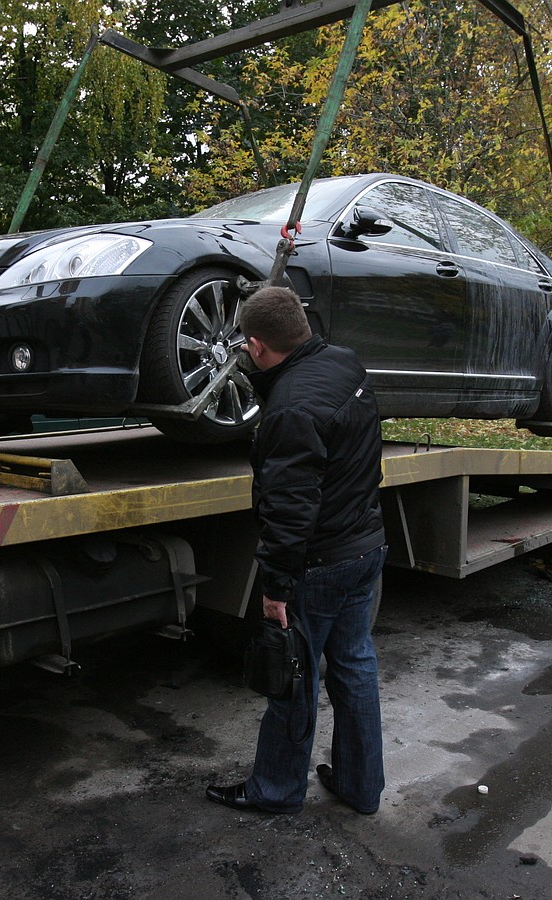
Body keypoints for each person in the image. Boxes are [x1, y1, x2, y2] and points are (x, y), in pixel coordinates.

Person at [206, 285, 387, 815]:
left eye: (245, 344)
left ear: (257, 346)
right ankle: (360, 786)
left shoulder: (289, 409)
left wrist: (276, 589)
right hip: (366, 545)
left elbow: (289, 511)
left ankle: (276, 790)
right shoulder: (345, 364)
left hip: (320, 562)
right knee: (355, 666)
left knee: (293, 677)